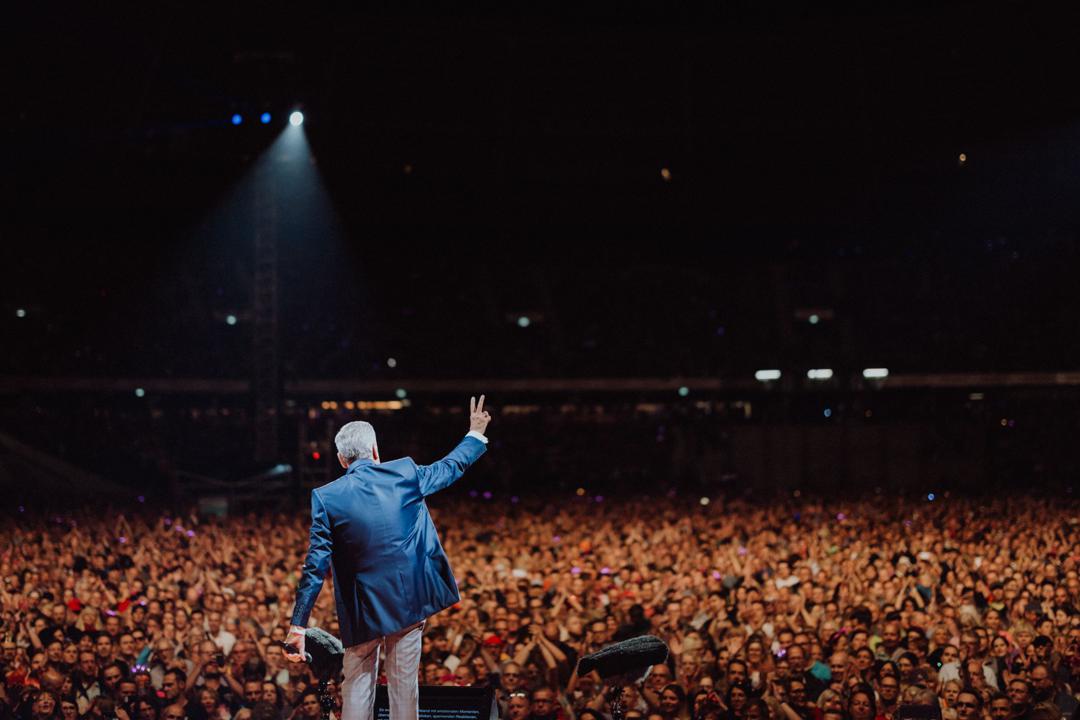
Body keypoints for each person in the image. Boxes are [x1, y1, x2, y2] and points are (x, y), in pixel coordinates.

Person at [286, 396, 493, 720]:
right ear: (375, 450)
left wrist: (298, 626)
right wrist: (475, 433)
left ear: (341, 459)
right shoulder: (404, 473)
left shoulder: (326, 497)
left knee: (356, 685)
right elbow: (450, 467)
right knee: (404, 687)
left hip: (363, 610)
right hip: (407, 603)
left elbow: (315, 567)